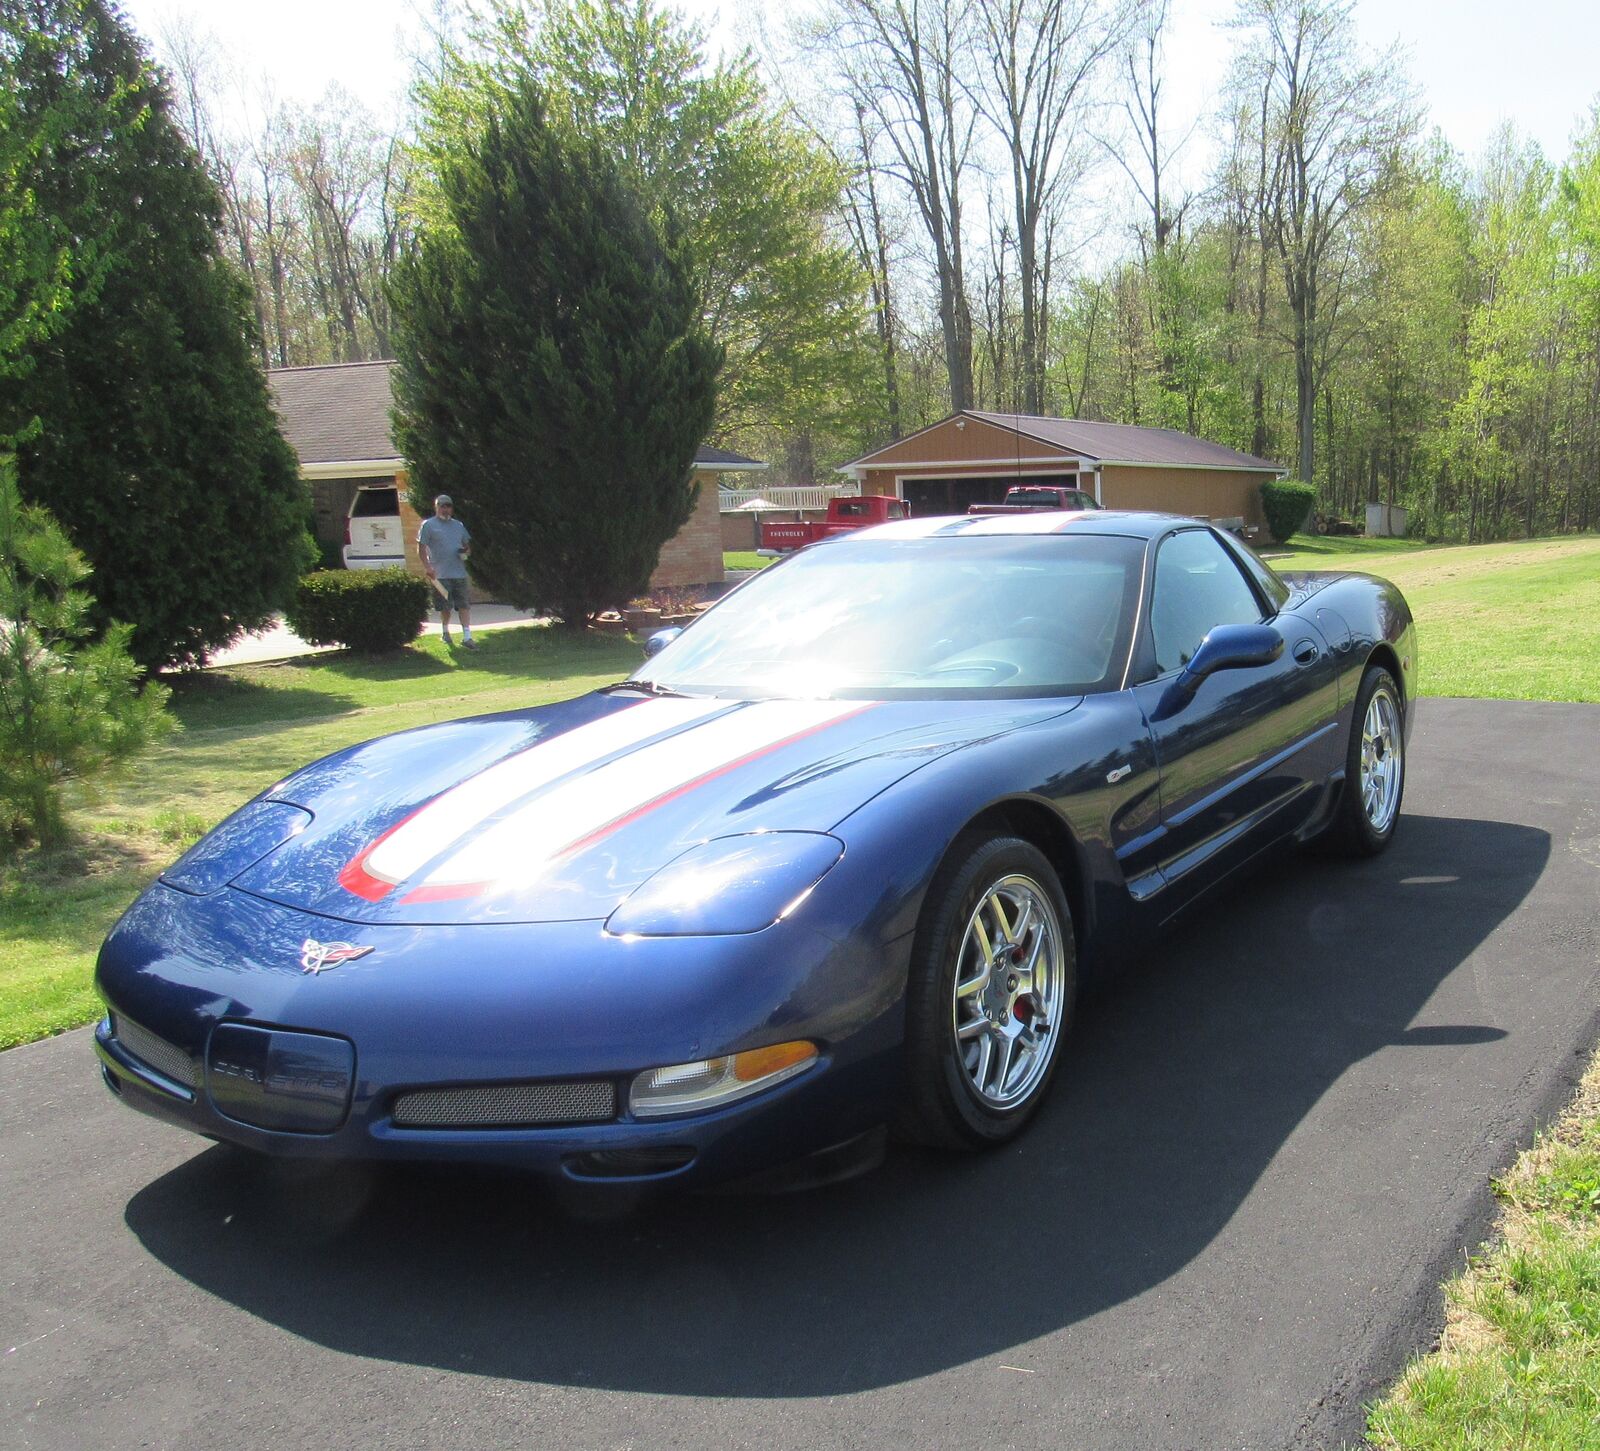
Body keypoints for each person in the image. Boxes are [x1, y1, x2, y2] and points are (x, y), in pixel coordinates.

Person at [417, 493, 476, 648]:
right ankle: (445, 632)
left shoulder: (458, 526)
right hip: (439, 575)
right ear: (436, 507)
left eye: (448, 506)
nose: (445, 509)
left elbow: (468, 548)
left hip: (459, 573)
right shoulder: (428, 525)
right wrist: (428, 568)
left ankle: (467, 637)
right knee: (445, 606)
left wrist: (465, 552)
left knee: (464, 605)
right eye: (442, 506)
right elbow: (421, 548)